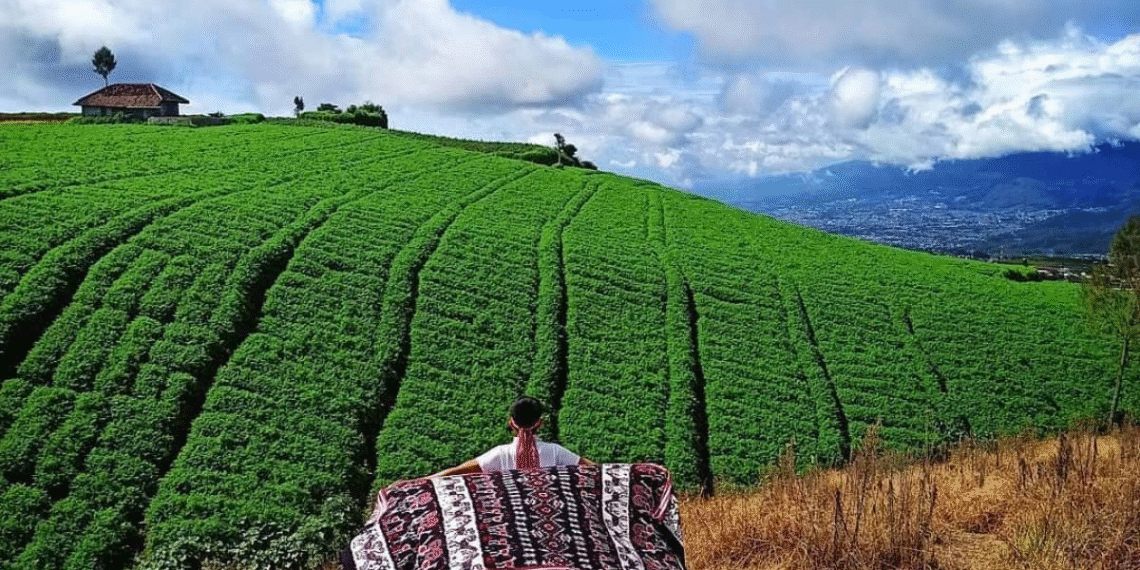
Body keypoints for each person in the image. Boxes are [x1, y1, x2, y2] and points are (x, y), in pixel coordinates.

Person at [431, 397, 594, 477]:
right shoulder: (556, 452)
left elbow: (456, 472)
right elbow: (594, 469)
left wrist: (420, 480)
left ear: (511, 422)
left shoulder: (500, 454)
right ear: (540, 423)